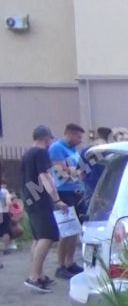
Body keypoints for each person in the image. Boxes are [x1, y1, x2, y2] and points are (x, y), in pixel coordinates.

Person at [22, 125, 69, 293]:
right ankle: (34, 276)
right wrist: (56, 199)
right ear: (45, 138)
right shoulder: (41, 153)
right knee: (47, 236)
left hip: (28, 198)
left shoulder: (28, 153)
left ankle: (38, 275)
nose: (51, 142)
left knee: (37, 237)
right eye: (51, 139)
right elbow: (45, 176)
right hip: (40, 200)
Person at [48, 123, 86, 280]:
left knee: (75, 229)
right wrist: (73, 172)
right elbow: (60, 172)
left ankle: (70, 262)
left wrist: (73, 171)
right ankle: (61, 265)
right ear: (69, 134)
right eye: (78, 136)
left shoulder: (73, 150)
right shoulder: (57, 148)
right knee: (66, 229)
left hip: (76, 191)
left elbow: (79, 170)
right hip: (64, 191)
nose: (80, 140)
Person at [82, 126, 111, 207]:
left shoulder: (88, 150)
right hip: (109, 185)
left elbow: (81, 172)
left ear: (97, 135)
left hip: (91, 185)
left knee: (91, 210)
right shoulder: (111, 150)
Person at [0, 179, 10, 266]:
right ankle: (5, 249)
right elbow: (8, 202)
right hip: (4, 212)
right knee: (5, 231)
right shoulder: (5, 191)